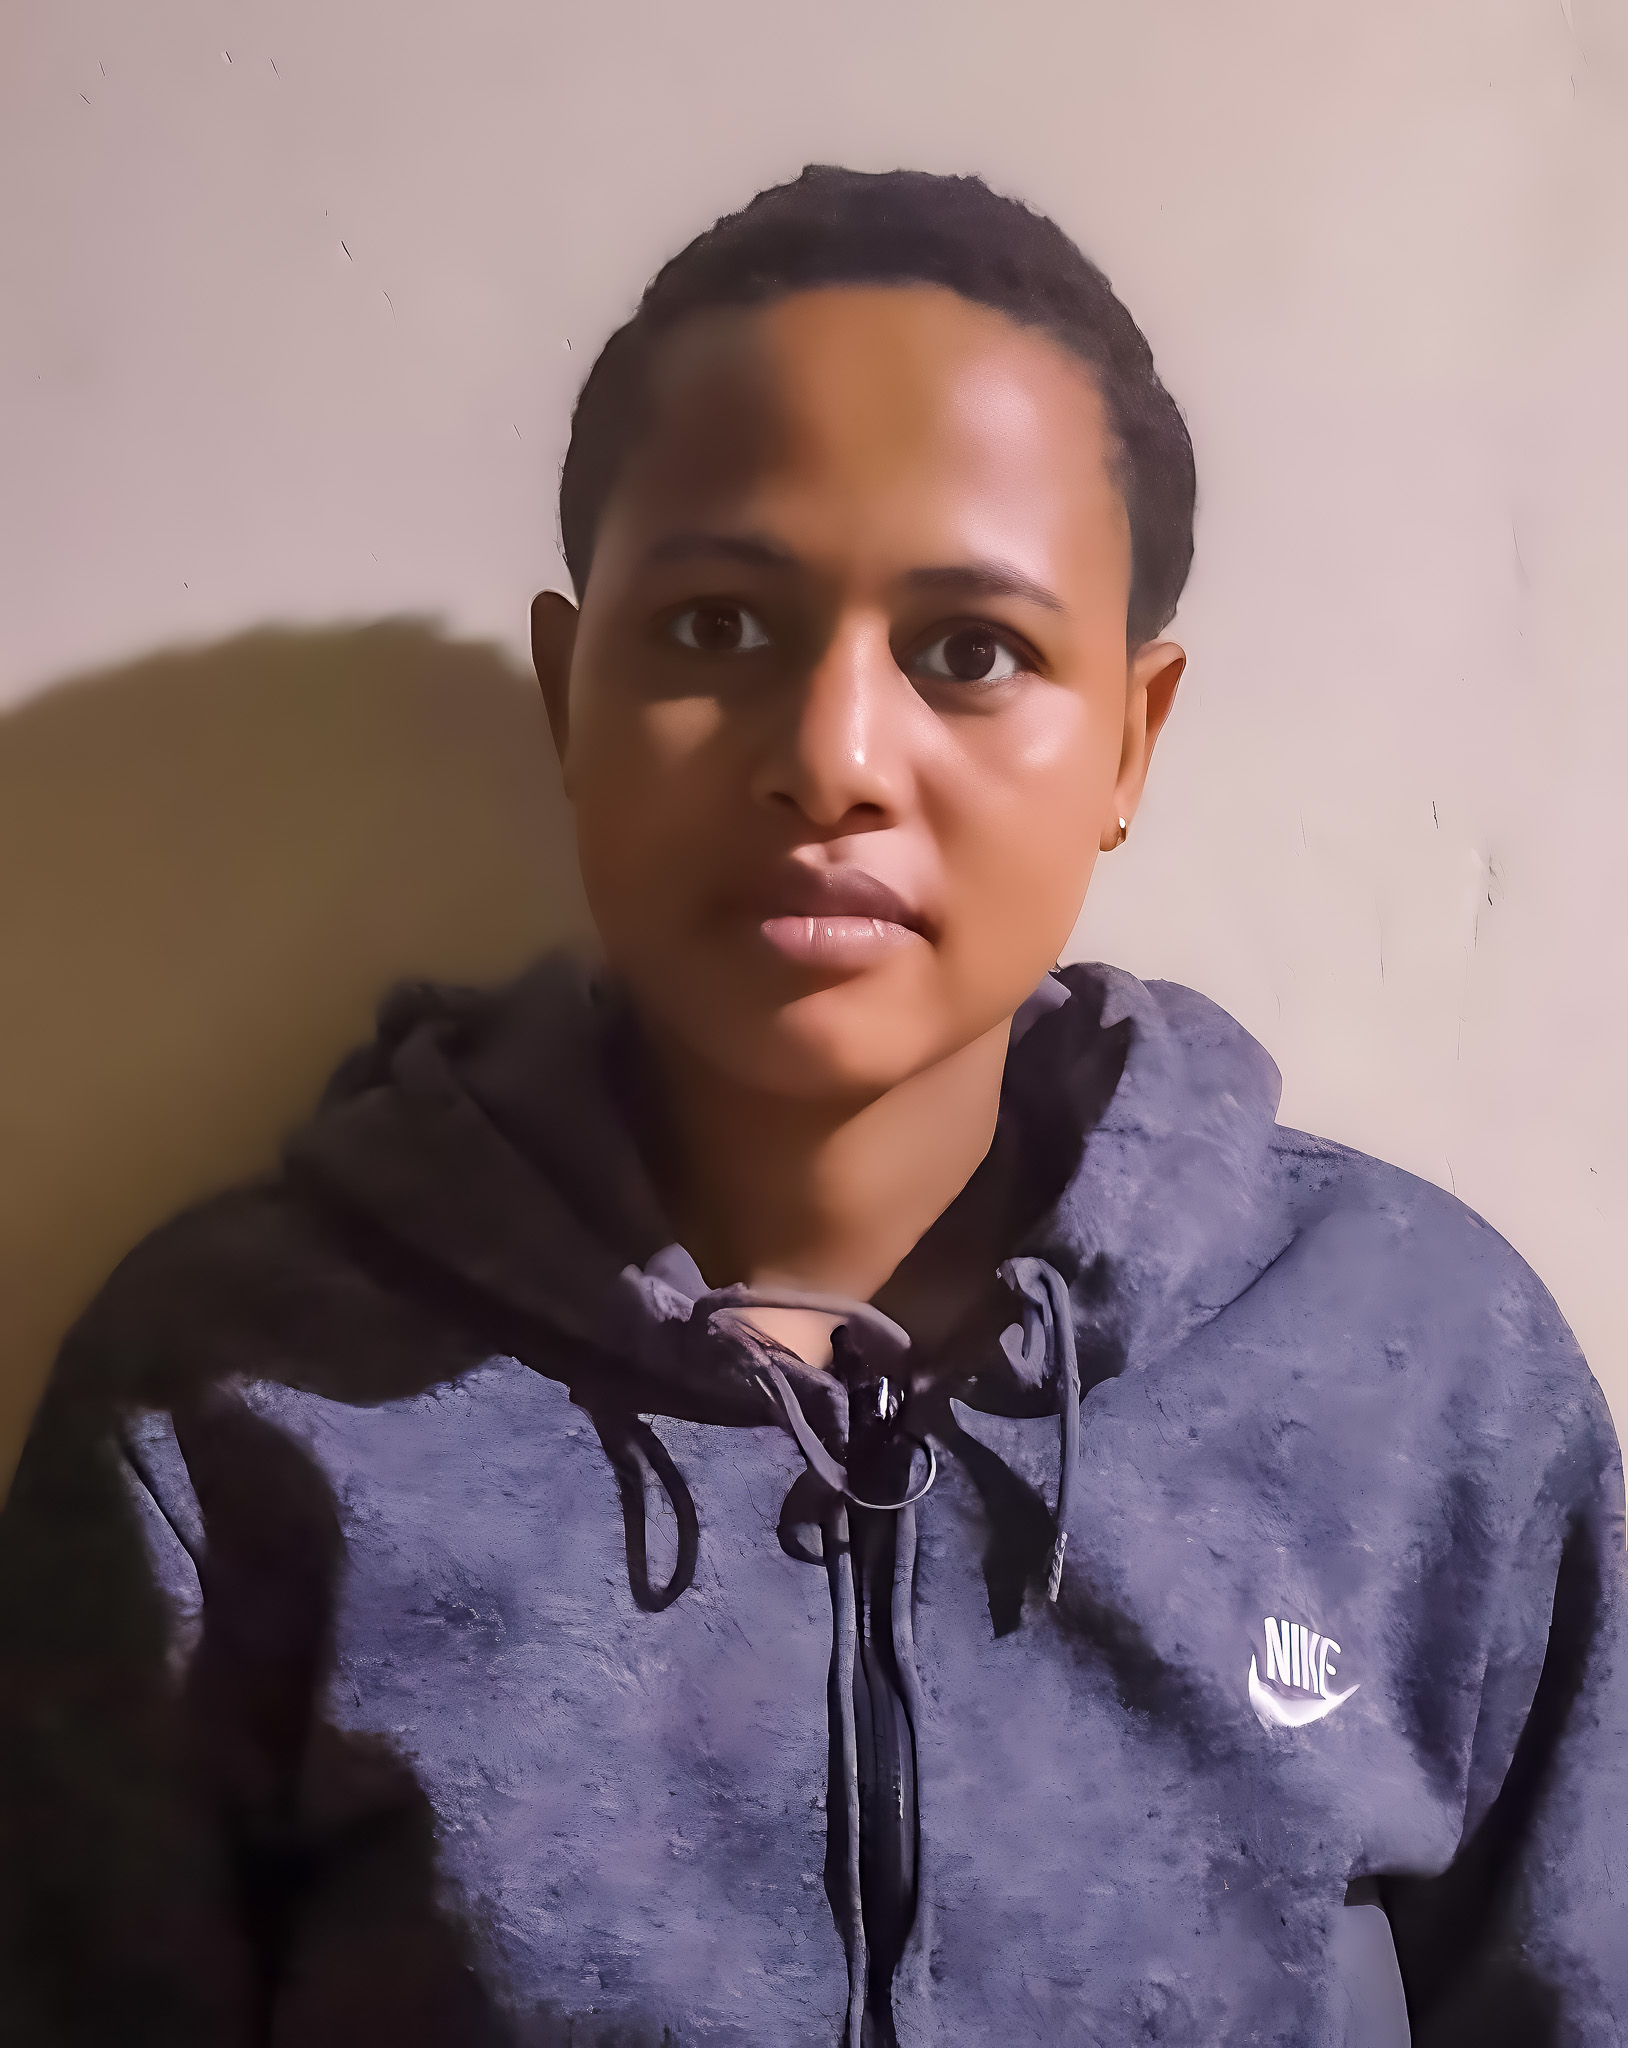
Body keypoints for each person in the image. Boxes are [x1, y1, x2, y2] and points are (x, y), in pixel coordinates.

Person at [2, 165, 1623, 2048]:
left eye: (972, 652)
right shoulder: (229, 1406)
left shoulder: (1421, 1378)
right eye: (715, 628)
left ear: (1129, 736)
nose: (835, 759)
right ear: (569, 694)